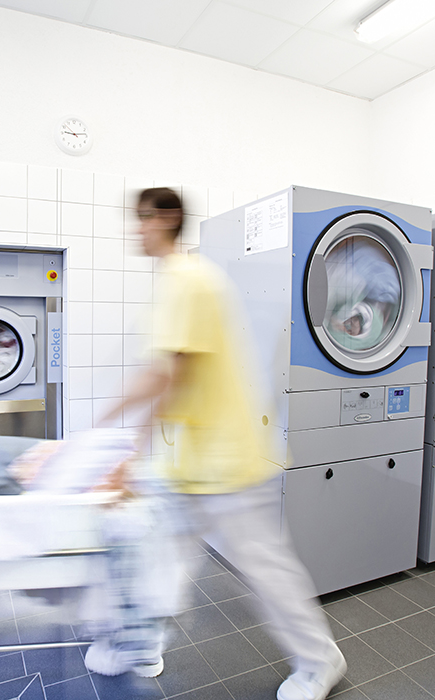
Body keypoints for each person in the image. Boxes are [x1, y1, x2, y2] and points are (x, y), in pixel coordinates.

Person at [87, 187, 347, 700]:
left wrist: (108, 439)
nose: (134, 229)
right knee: (161, 556)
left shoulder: (188, 280)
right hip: (191, 460)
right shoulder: (178, 279)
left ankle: (321, 662)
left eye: (140, 220)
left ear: (164, 220)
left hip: (228, 462)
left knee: (264, 569)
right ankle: (136, 642)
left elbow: (167, 376)